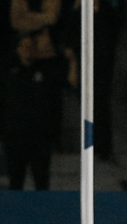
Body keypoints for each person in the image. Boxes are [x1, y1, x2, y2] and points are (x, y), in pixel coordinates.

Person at [1, 33, 77, 190]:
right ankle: (17, 212)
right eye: (24, 46)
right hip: (14, 136)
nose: (28, 50)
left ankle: (43, 211)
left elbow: (70, 83)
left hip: (40, 137)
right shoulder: (7, 72)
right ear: (18, 49)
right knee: (16, 181)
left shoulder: (46, 70)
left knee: (41, 180)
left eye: (31, 46)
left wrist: (73, 61)